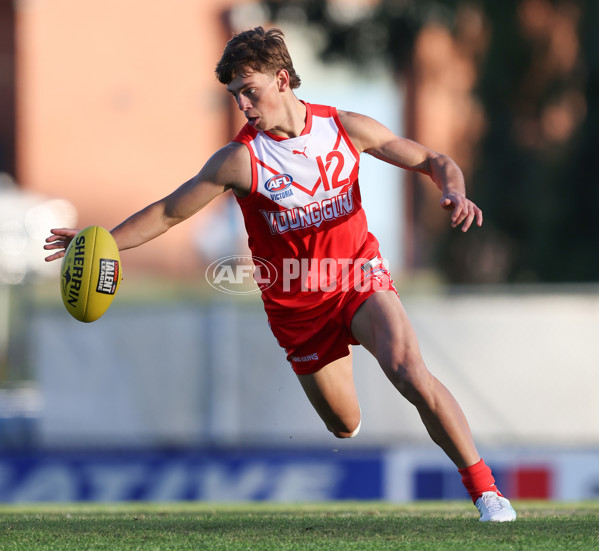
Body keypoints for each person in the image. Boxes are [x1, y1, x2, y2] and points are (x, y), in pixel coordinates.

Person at [45, 26, 516, 521]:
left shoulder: (343, 127)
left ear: (284, 80)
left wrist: (455, 191)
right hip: (298, 309)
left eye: (250, 91)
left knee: (409, 372)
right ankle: (348, 407)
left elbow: (433, 160)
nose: (243, 105)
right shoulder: (240, 160)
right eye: (235, 95)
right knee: (343, 423)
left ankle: (488, 494)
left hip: (359, 278)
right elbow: (168, 212)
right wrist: (99, 244)